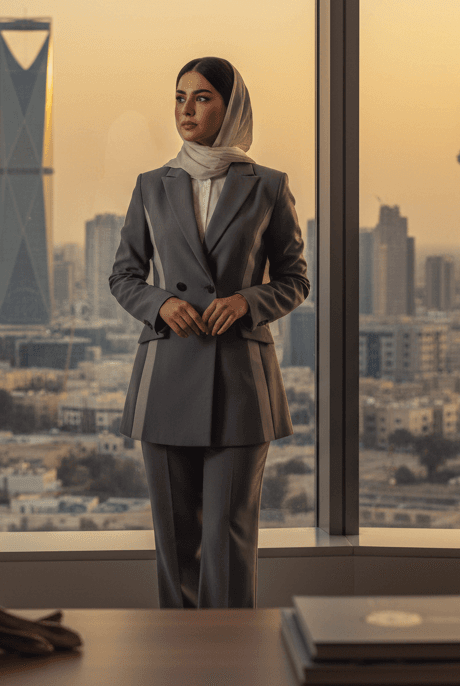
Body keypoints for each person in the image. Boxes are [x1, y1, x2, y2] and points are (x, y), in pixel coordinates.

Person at [109, 56, 309, 608]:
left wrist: (248, 301)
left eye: (201, 98)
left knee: (229, 540)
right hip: (167, 374)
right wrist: (159, 303)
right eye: (179, 97)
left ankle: (232, 661)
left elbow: (296, 281)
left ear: (231, 106)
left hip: (240, 382)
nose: (186, 109)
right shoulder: (151, 187)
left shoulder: (268, 186)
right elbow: (124, 274)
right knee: (175, 545)